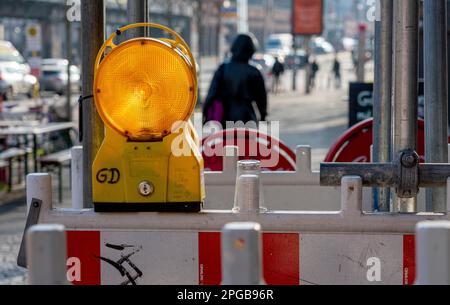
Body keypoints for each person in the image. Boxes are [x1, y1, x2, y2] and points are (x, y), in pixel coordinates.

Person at [203, 33, 268, 127]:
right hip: (248, 118)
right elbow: (262, 100)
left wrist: (206, 116)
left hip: (225, 117)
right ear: (251, 50)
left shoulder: (223, 69)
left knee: (226, 142)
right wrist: (263, 117)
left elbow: (211, 95)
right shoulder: (254, 72)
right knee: (248, 142)